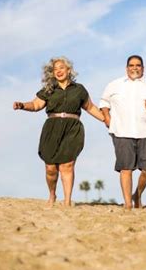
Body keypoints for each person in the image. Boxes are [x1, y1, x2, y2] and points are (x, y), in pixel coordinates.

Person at [13, 56, 104, 207]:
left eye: (61, 68)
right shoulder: (49, 89)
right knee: (50, 168)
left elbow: (91, 107)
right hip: (52, 129)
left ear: (69, 70)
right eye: (55, 69)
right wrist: (22, 105)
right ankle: (52, 194)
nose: (58, 71)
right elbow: (35, 105)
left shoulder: (79, 89)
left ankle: (67, 200)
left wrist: (107, 120)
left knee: (67, 165)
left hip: (72, 128)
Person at [100, 55, 146, 209]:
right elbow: (104, 102)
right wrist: (106, 117)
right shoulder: (114, 85)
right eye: (131, 65)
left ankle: (137, 195)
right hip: (122, 132)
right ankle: (127, 204)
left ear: (143, 68)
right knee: (126, 168)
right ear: (127, 68)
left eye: (138, 65)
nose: (134, 68)